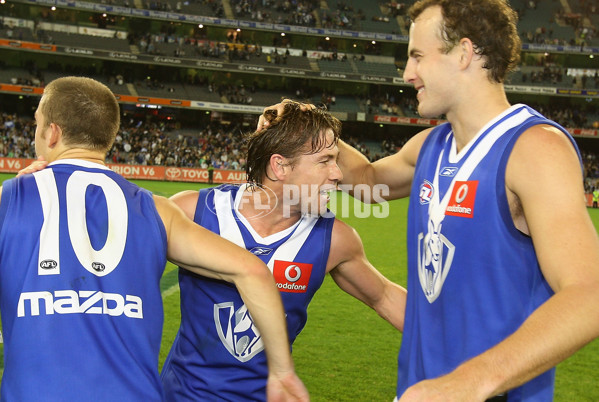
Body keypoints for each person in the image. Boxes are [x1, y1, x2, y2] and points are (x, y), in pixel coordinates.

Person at [259, 1, 599, 400]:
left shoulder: (534, 148)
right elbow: (368, 179)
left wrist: (469, 382)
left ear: (464, 53)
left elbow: (588, 293)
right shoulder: (431, 146)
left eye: (417, 56)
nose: (407, 74)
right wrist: (305, 123)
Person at [0, 76, 308, 401]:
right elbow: (253, 271)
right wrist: (281, 370)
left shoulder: (9, 201)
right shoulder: (158, 210)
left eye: (37, 123)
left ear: (52, 133)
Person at [160, 102, 407, 401]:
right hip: (179, 395)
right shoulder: (193, 211)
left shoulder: (335, 240)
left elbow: (385, 298)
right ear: (279, 166)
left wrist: (468, 347)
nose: (338, 174)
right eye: (325, 160)